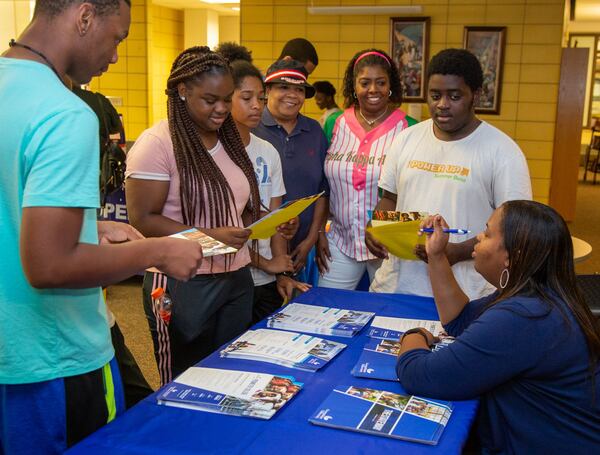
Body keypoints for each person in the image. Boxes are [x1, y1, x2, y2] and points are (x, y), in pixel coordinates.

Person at [0, 1, 202, 453]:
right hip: (53, 363)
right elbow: (49, 265)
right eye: (117, 38)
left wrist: (87, 228)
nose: (113, 56)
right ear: (85, 16)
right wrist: (156, 252)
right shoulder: (64, 113)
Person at [396, 202, 600, 453]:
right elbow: (459, 320)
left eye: (488, 233)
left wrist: (413, 336)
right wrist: (437, 255)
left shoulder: (524, 317)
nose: (478, 238)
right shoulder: (538, 294)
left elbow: (422, 375)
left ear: (513, 256)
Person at [126, 47, 263, 384]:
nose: (221, 109)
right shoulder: (157, 144)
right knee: (184, 380)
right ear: (183, 92)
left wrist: (266, 217)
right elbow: (142, 217)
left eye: (227, 99)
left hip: (235, 276)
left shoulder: (229, 139)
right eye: (210, 99)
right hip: (182, 281)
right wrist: (208, 239)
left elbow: (234, 202)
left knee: (229, 374)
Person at [367, 48, 532, 299]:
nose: (442, 105)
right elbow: (389, 197)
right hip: (398, 285)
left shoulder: (503, 151)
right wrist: (376, 226)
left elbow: (515, 228)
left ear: (475, 95)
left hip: (466, 292)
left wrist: (455, 252)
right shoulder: (406, 139)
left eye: (454, 96)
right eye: (435, 96)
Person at [317, 49, 417, 290]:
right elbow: (323, 185)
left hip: (388, 245)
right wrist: (320, 230)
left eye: (381, 82)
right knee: (326, 309)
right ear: (354, 86)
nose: (373, 89)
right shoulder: (335, 123)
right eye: (365, 83)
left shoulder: (409, 128)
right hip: (341, 241)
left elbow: (416, 190)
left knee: (391, 317)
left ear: (390, 86)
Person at [227, 56, 309, 322]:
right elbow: (221, 229)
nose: (256, 106)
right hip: (231, 274)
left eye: (260, 98)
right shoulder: (217, 154)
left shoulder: (267, 152)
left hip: (266, 279)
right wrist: (267, 264)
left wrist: (280, 270)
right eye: (246, 97)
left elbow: (276, 220)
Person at [253, 59, 329, 282]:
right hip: (260, 250)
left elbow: (323, 191)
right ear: (267, 90)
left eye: (299, 89)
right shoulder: (252, 128)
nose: (293, 95)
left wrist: (312, 238)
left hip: (305, 247)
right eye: (283, 87)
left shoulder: (314, 131)